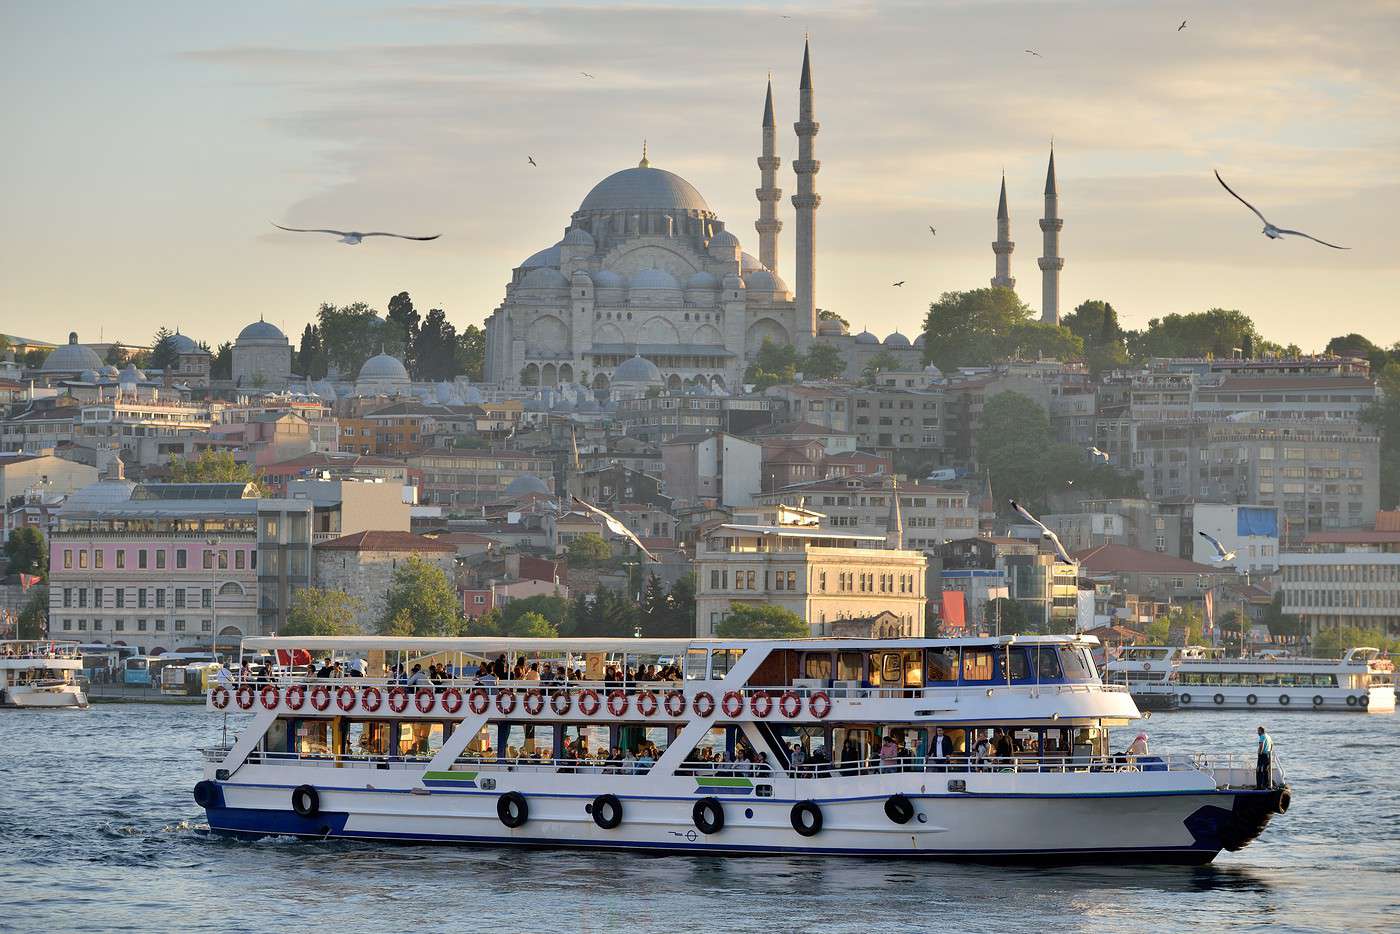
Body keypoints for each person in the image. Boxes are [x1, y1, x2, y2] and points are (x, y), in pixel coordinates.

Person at [1256, 726, 1273, 790]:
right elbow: (1272, 744)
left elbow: (1261, 745)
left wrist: (1260, 753)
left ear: (1261, 731)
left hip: (1263, 755)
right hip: (1268, 755)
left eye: (1258, 731)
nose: (1257, 732)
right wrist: (1270, 752)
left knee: (1259, 770)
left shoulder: (1262, 736)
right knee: (1266, 770)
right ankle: (1266, 785)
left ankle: (1259, 786)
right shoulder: (1268, 736)